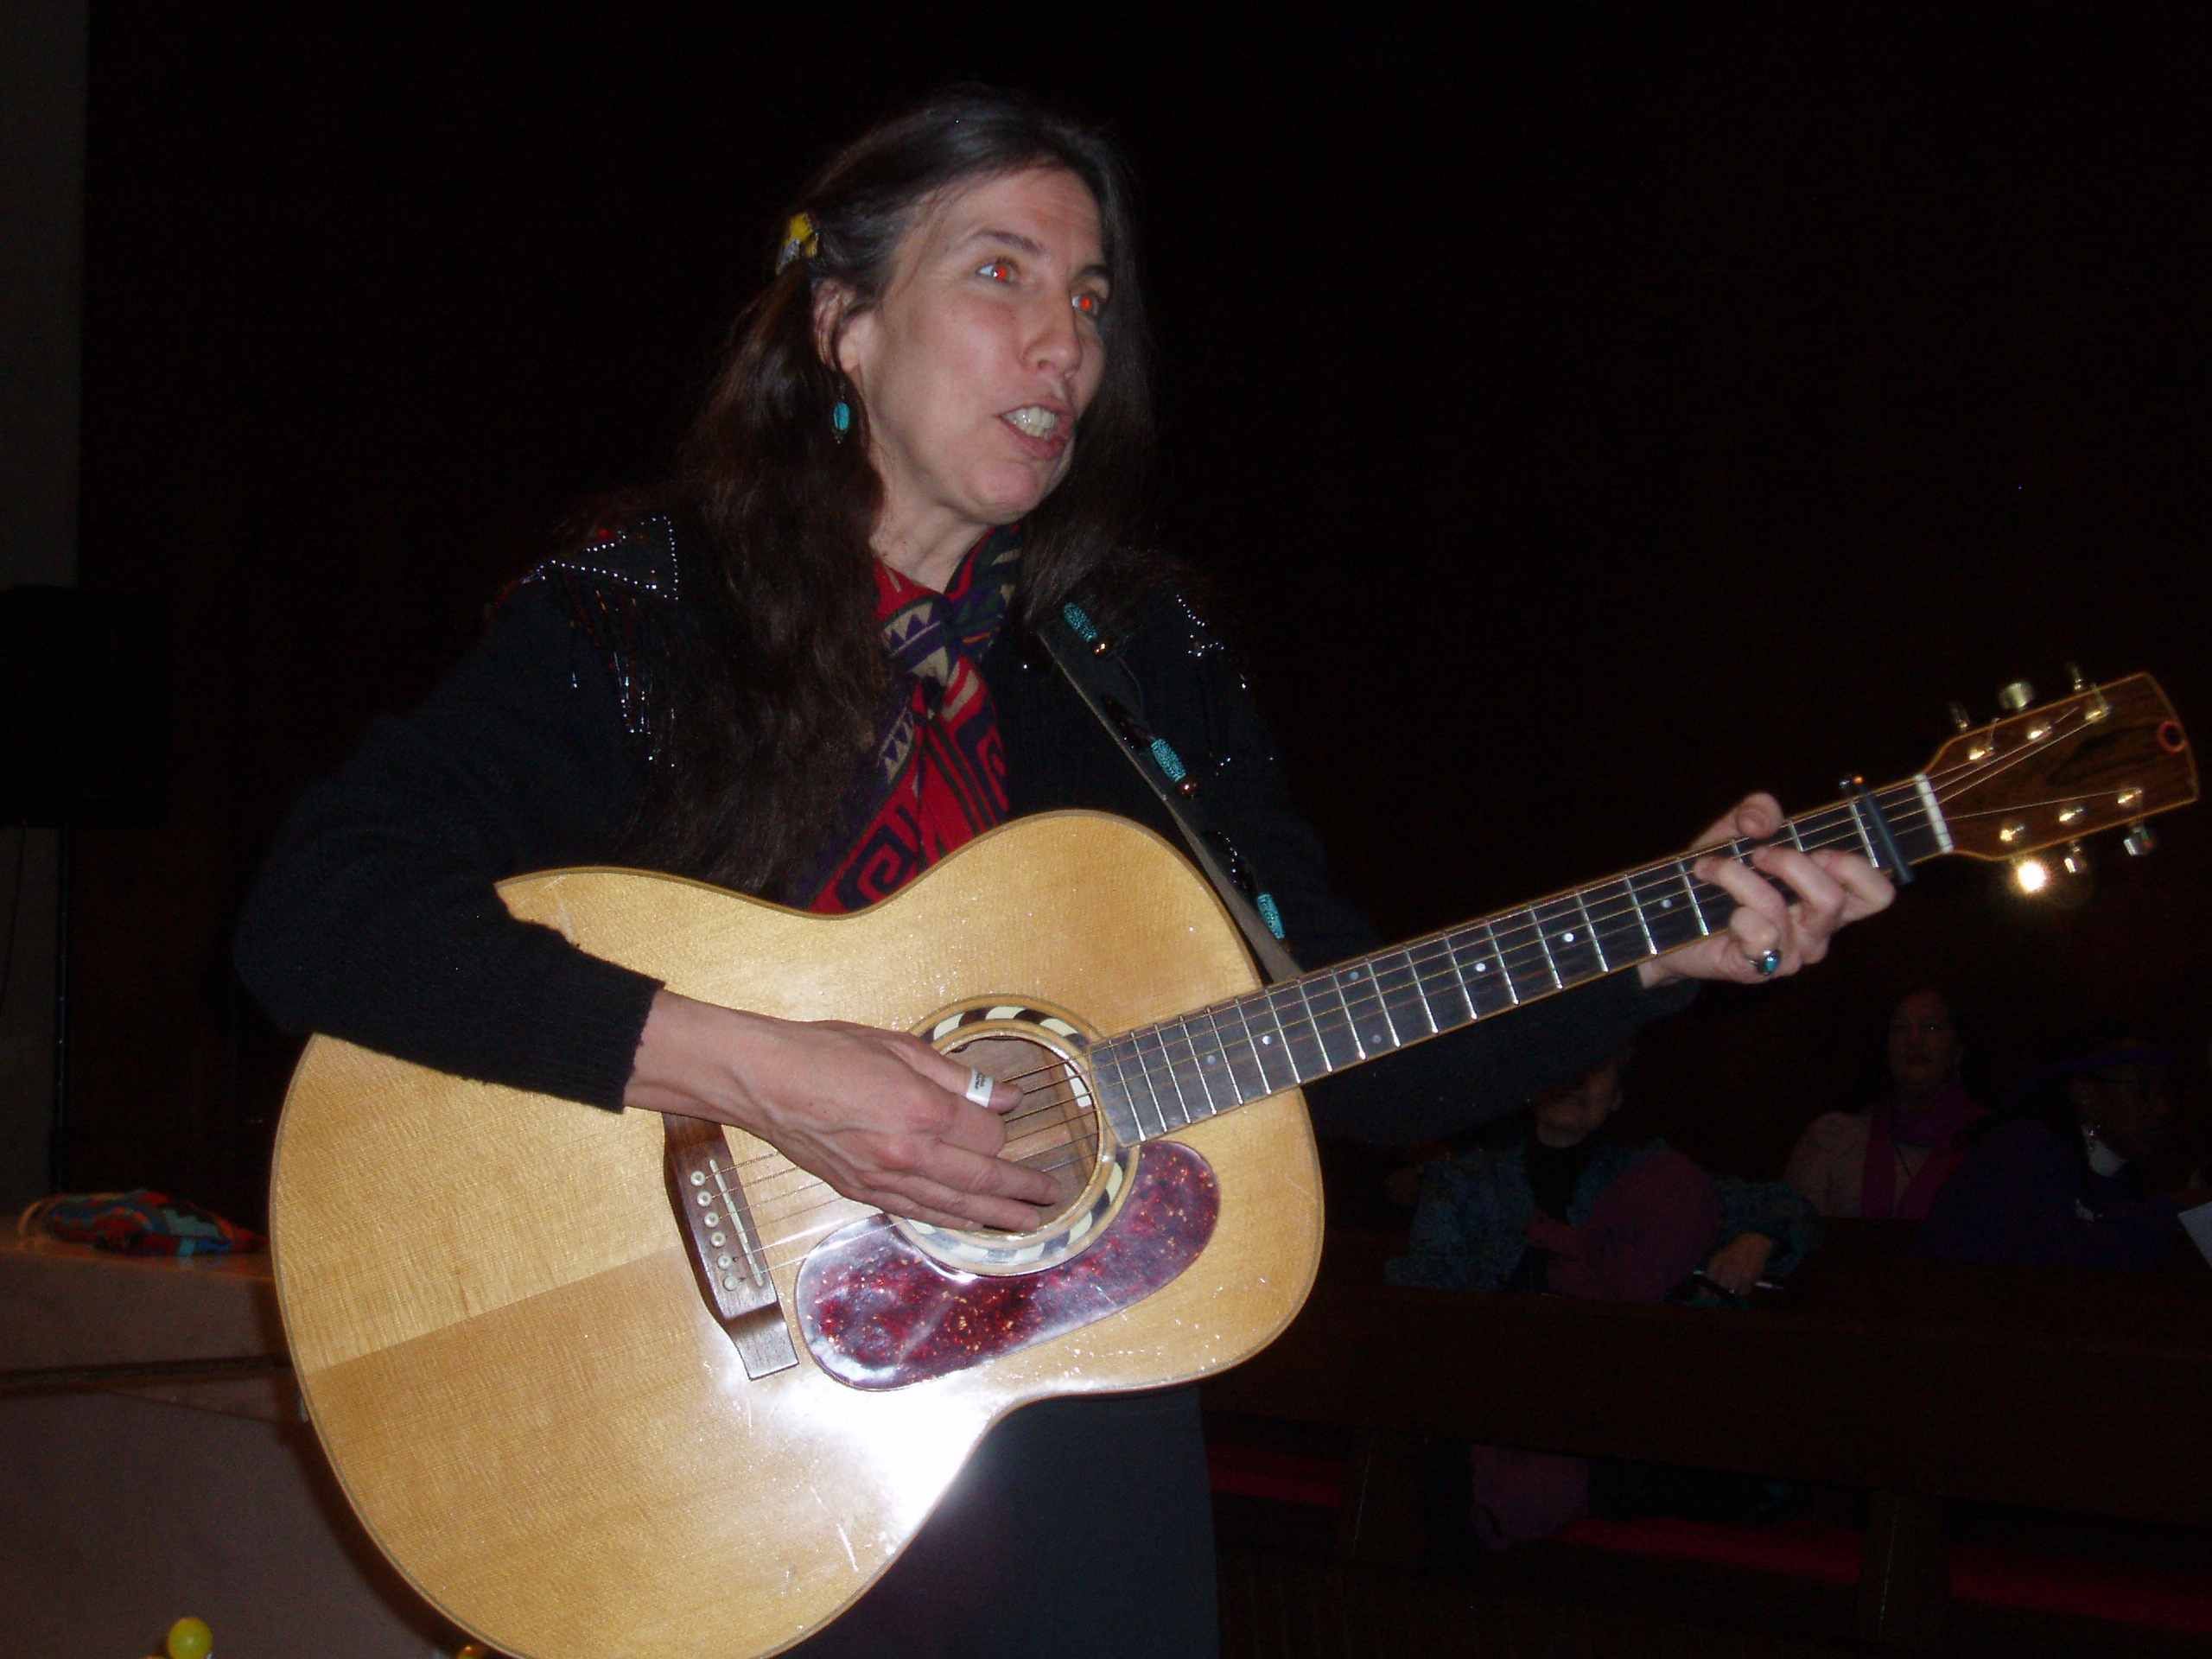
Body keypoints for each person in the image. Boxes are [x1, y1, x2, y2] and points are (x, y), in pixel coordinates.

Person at [233, 86, 1892, 1659]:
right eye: (1001, 274)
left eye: (1090, 299)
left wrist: (1660, 946)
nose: (1065, 343)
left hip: (1068, 1443)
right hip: (711, 1449)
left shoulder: (1138, 663)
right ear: (844, 324)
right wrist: (765, 1073)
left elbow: (1341, 1035)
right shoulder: (651, 613)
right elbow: (318, 909)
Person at [1385, 1054, 1821, 1548]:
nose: (1575, 1080)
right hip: (1489, 1397)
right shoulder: (1467, 1179)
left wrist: (1759, 1238)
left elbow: (1787, 1207)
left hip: (1604, 1411)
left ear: (1617, 1097)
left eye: (1596, 1068)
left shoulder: (1646, 1176)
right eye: (1564, 1063)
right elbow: (1424, 1296)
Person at [1917, 1028, 2192, 1270]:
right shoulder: (2023, 1154)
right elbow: (2057, 1264)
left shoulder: (2140, 1175)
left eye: (2164, 1092)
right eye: (2143, 1092)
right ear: (2086, 1095)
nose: (2162, 1108)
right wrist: (2172, 1213)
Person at [1786, 986, 1986, 1219]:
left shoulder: (1991, 1144)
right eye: (1900, 1028)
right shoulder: (1833, 1141)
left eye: (1931, 1027)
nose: (1914, 1040)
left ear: (1957, 1050)